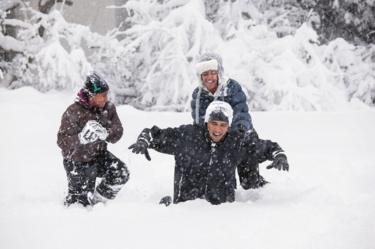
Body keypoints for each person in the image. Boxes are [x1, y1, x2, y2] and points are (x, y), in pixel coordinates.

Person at [129, 101, 289, 205]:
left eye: (222, 125)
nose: (218, 129)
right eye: (214, 123)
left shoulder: (236, 143)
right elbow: (154, 134)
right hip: (186, 211)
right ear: (206, 123)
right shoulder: (187, 135)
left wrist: (278, 155)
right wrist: (144, 140)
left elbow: (267, 147)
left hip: (221, 215)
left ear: (229, 126)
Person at [191, 52, 264, 189]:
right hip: (215, 136)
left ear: (219, 72)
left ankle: (254, 188)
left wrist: (238, 132)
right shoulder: (198, 94)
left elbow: (241, 111)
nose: (209, 77)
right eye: (205, 74)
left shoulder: (232, 87)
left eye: (212, 72)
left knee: (249, 182)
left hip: (239, 133)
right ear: (200, 76)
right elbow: (199, 120)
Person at [57, 72, 129, 207]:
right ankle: (72, 209)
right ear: (91, 95)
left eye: (106, 95)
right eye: (102, 95)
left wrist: (106, 134)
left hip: (98, 155)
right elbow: (61, 141)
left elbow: (118, 132)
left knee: (121, 173)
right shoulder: (73, 111)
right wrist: (80, 138)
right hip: (76, 161)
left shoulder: (109, 108)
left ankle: (98, 202)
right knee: (79, 205)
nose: (105, 99)